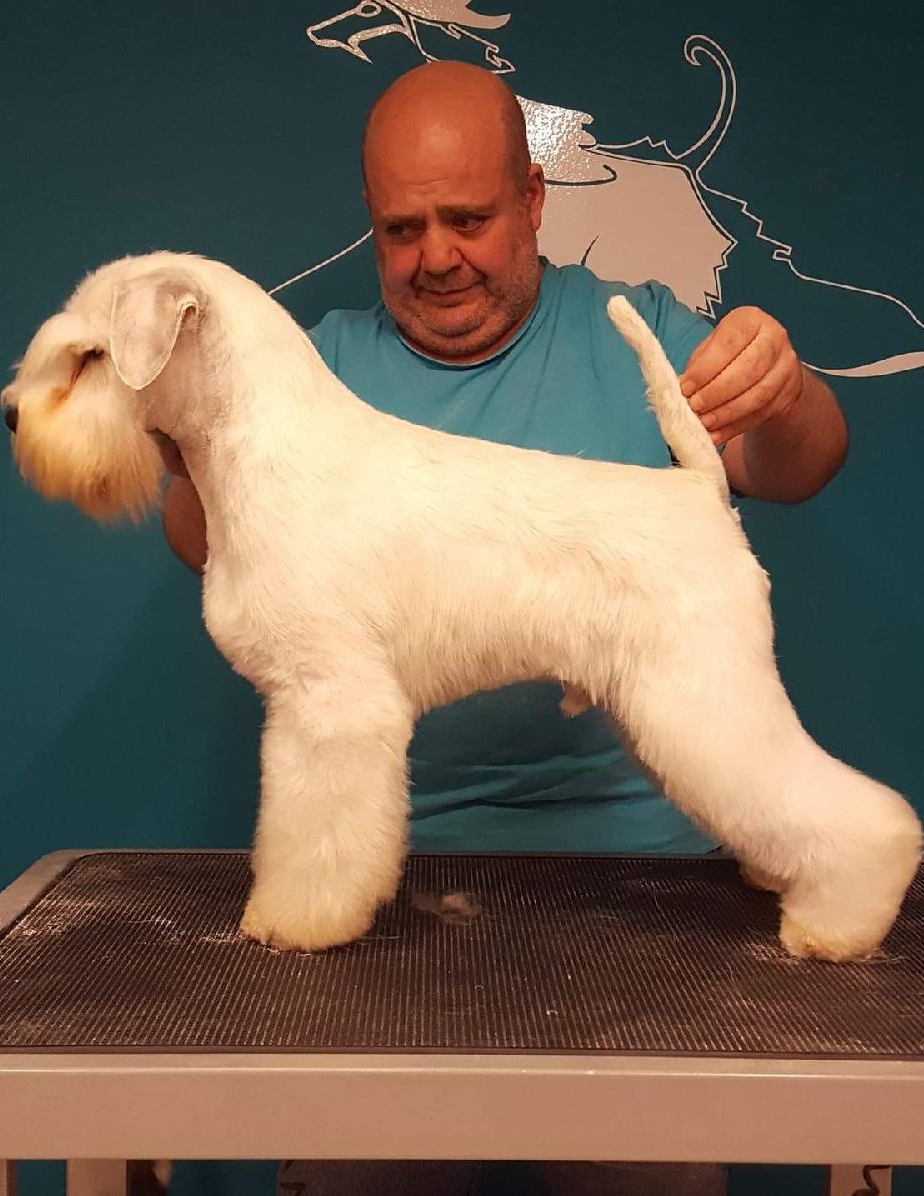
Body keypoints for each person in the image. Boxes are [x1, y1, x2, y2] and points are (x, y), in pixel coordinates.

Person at [161, 61, 848, 1195]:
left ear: (533, 199)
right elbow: (206, 545)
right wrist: (186, 429)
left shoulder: (640, 328)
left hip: (641, 882)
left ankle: (841, 851)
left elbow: (801, 465)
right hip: (401, 890)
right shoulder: (314, 366)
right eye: (402, 228)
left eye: (468, 219)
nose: (436, 255)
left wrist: (786, 391)